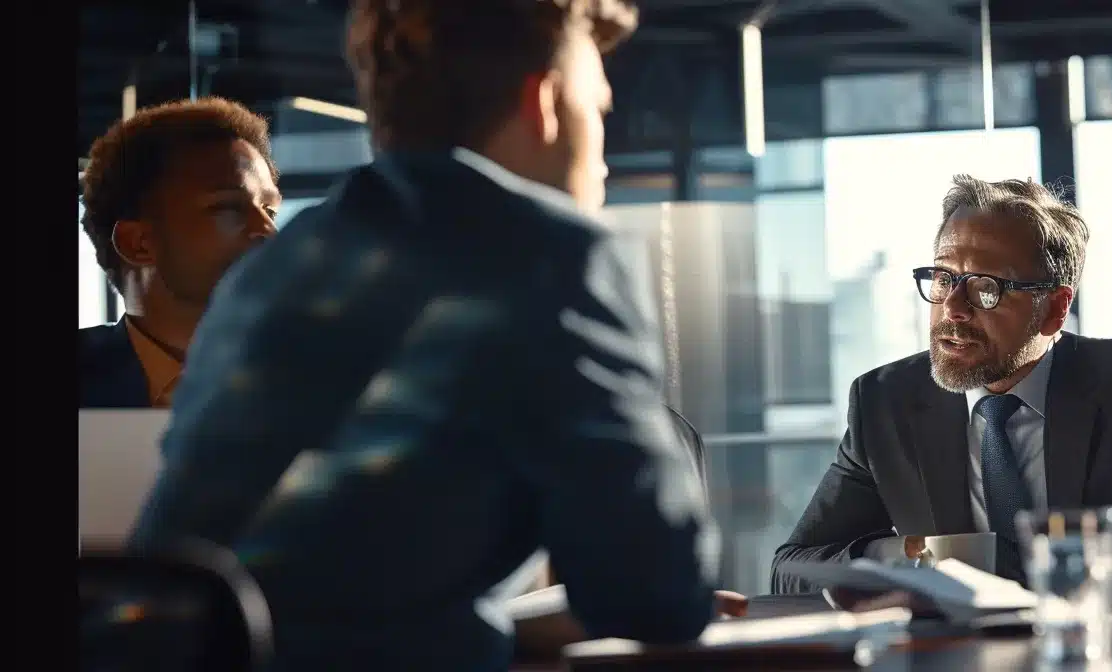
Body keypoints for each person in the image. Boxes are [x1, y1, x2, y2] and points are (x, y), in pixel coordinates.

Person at [127, 1, 720, 669]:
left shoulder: (279, 266)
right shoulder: (556, 255)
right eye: (600, 110)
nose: (605, 156)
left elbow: (322, 591)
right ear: (547, 103)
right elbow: (655, 596)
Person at [771, 175, 1112, 609]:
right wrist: (912, 557)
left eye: (986, 288)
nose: (953, 308)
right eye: (944, 278)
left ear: (1055, 309)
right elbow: (791, 569)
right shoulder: (885, 402)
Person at [78, 97, 281, 408]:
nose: (269, 231)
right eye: (227, 207)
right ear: (139, 243)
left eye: (269, 210)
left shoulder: (335, 379)